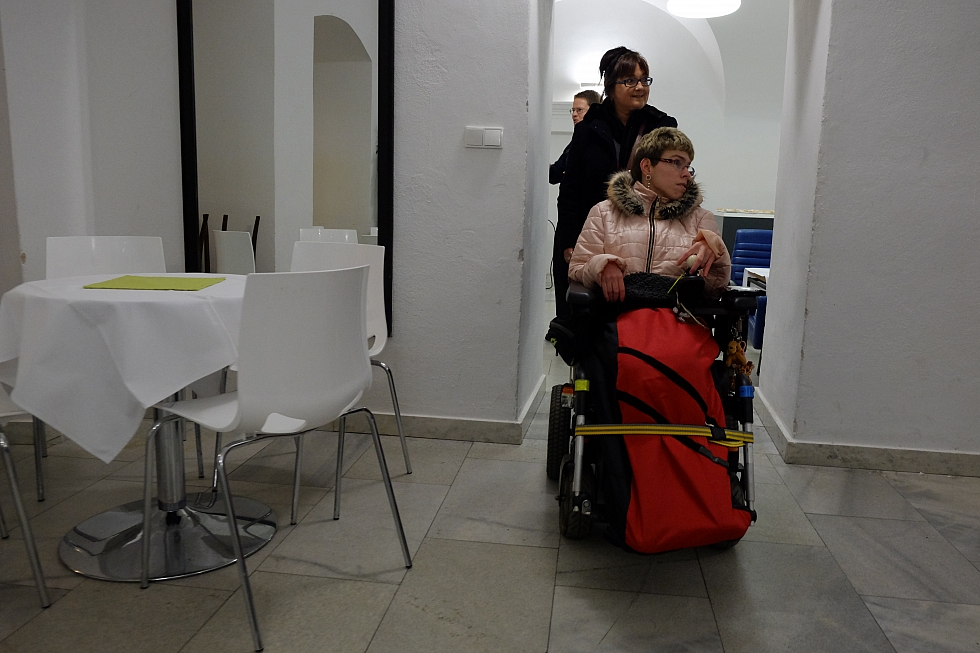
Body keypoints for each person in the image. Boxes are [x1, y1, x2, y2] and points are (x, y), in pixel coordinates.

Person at [552, 46, 677, 319]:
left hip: (639, 237)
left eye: (644, 80)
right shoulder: (588, 129)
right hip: (592, 234)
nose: (640, 87)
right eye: (630, 80)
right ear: (611, 85)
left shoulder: (661, 126)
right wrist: (569, 243)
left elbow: (672, 185)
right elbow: (570, 190)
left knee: (636, 316)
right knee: (586, 318)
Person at [569, 127, 730, 296]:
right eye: (677, 163)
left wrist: (717, 255)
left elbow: (715, 289)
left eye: (688, 167)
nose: (686, 174)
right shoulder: (604, 213)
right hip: (618, 310)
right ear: (647, 166)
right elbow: (576, 270)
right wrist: (601, 266)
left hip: (678, 311)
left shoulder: (701, 219)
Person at [550, 90, 601, 185]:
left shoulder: (600, 140)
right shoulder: (575, 141)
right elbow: (555, 173)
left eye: (579, 110)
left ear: (592, 111)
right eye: (573, 110)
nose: (574, 114)